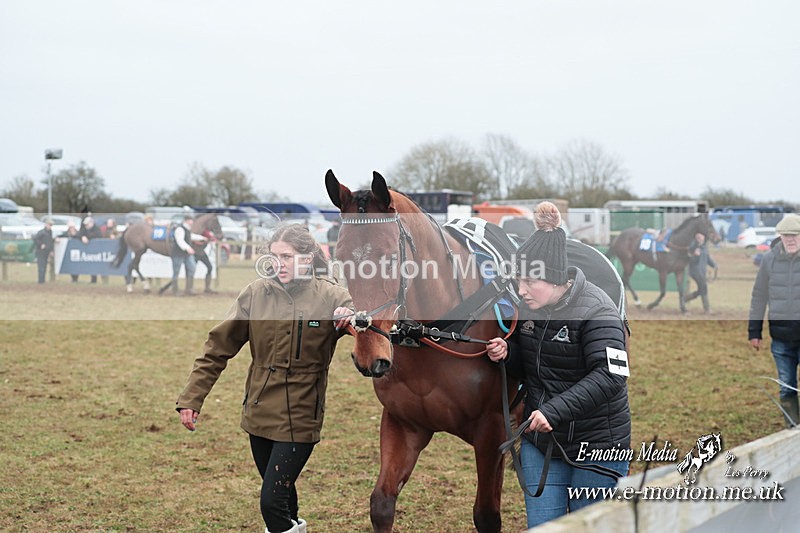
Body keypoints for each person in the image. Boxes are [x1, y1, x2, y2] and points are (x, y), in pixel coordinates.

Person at [176, 222, 354, 533]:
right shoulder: (255, 294)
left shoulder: (333, 297)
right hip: (258, 412)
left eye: (286, 256)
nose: (278, 263)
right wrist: (192, 398)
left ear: (307, 258)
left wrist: (352, 319)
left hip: (301, 414)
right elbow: (217, 349)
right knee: (283, 496)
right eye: (274, 256)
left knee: (271, 502)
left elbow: (371, 332)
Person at [486, 202, 631, 528]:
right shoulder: (533, 308)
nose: (520, 292)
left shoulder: (599, 311)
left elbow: (612, 376)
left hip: (598, 446)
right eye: (518, 282)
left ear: (554, 278)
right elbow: (535, 364)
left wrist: (554, 411)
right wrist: (508, 354)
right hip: (542, 445)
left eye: (527, 282)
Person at [749, 213, 800, 427]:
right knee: (786, 386)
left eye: (795, 235)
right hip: (780, 337)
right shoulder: (769, 260)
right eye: (786, 235)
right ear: (780, 236)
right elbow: (759, 295)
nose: (790, 239)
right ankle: (793, 430)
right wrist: (754, 332)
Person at [685, 232, 718, 313]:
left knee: (701, 289)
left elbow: (707, 258)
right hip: (694, 271)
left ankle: (685, 299)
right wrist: (695, 255)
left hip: (702, 271)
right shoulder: (692, 246)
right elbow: (689, 260)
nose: (700, 237)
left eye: (701, 235)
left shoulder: (704, 246)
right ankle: (707, 309)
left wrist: (714, 265)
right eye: (698, 236)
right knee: (704, 287)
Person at [170, 214, 197, 296]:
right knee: (176, 272)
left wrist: (202, 238)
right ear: (187, 221)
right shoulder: (179, 229)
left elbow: (191, 236)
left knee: (192, 267)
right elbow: (180, 241)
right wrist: (188, 248)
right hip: (178, 254)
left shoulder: (187, 229)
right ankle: (175, 291)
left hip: (186, 254)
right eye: (191, 220)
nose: (192, 222)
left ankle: (189, 289)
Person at [78, 216, 102, 283]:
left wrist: (87, 237)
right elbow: (78, 234)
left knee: (95, 265)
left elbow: (98, 235)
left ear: (91, 223)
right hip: (88, 251)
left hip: (96, 251)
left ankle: (96, 280)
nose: (86, 226)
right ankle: (92, 280)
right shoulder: (85, 229)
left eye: (87, 224)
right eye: (85, 224)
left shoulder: (97, 228)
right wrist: (82, 237)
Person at [33, 219, 55, 284]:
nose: (50, 226)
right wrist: (41, 244)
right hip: (40, 251)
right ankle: (40, 280)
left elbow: (50, 242)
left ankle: (43, 280)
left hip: (46, 252)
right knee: (41, 266)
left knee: (44, 266)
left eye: (51, 225)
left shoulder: (50, 232)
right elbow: (35, 239)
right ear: (46, 224)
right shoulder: (41, 232)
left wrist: (51, 250)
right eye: (49, 225)